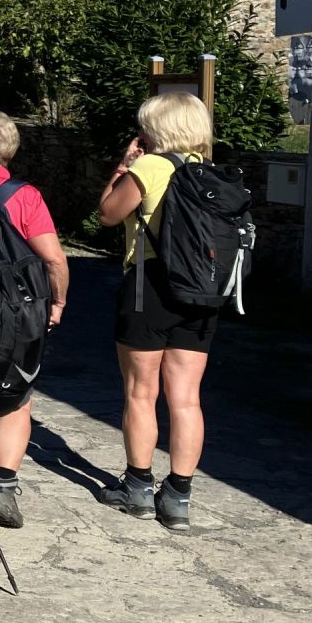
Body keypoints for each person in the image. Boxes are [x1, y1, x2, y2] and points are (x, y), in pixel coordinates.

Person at [94, 92, 219, 532]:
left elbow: (108, 214)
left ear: (157, 129)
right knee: (186, 397)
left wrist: (123, 166)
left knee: (140, 392)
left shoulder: (150, 167)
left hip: (149, 287)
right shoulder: (211, 171)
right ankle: (179, 497)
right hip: (202, 291)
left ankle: (138, 487)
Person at [0, 110, 70, 529]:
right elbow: (53, 258)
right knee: (15, 396)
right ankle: (3, 489)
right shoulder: (24, 196)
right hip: (12, 312)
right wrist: (57, 303)